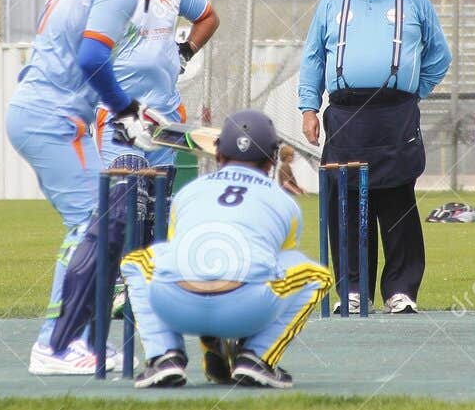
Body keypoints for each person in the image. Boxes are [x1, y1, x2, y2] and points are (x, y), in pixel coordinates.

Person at [7, 0, 169, 375]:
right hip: (54, 117)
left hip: (43, 109)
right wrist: (126, 109)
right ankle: (54, 346)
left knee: (106, 220)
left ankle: (84, 341)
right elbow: (92, 58)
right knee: (92, 225)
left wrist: (123, 108)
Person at [120, 110, 332, 389]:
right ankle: (257, 357)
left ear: (218, 154)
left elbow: (179, 251)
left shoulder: (188, 193)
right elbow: (275, 264)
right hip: (246, 308)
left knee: (138, 262)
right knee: (315, 275)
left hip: (177, 306)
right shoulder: (284, 202)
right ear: (271, 160)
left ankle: (164, 355)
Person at [299, 0, 450, 315]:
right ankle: (353, 289)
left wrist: (415, 90)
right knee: (346, 203)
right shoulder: (332, 2)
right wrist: (308, 108)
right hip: (345, 112)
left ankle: (401, 290)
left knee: (397, 201)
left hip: (396, 112)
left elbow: (439, 55)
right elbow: (313, 58)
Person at [93, 0, 219, 169]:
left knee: (159, 187)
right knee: (129, 183)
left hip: (165, 112)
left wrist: (186, 51)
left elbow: (208, 18)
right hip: (117, 113)